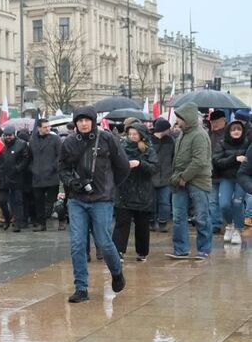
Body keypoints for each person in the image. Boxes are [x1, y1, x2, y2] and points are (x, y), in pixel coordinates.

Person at [59, 105, 129, 302]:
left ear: (93, 121)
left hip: (102, 200)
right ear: (75, 123)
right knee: (77, 244)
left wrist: (110, 187)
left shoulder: (107, 139)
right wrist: (71, 182)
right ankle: (81, 287)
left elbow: (123, 166)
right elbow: (63, 169)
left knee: (104, 242)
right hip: (77, 200)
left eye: (86, 120)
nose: (83, 123)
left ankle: (117, 272)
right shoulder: (69, 143)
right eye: (80, 120)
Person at [167, 102, 214, 260]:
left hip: (198, 182)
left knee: (202, 216)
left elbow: (199, 161)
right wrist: (178, 177)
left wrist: (183, 177)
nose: (177, 121)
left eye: (179, 118)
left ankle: (204, 249)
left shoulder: (199, 135)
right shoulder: (183, 134)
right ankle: (180, 249)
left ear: (187, 118)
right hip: (180, 181)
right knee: (178, 217)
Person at [112, 123, 158, 262]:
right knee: (122, 223)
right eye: (130, 134)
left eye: (135, 134)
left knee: (142, 225)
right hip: (124, 190)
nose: (132, 136)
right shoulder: (121, 147)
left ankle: (142, 252)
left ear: (141, 135)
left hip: (143, 191)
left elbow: (154, 169)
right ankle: (118, 251)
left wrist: (140, 163)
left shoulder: (149, 149)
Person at [212, 117, 249, 245]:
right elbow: (217, 162)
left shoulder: (248, 143)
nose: (236, 131)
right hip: (226, 178)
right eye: (233, 129)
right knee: (224, 204)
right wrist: (234, 158)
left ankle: (237, 230)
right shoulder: (222, 144)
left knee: (237, 203)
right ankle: (229, 225)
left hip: (241, 179)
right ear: (229, 131)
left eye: (239, 129)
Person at [27, 118, 62, 231]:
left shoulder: (55, 139)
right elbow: (30, 157)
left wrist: (53, 167)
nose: (48, 129)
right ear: (38, 128)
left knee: (52, 201)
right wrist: (32, 168)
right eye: (45, 127)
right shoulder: (32, 140)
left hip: (52, 176)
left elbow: (60, 156)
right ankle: (42, 224)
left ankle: (62, 219)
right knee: (38, 201)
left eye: (48, 126)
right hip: (37, 176)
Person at [0, 127, 28, 231]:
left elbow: (26, 158)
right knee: (2, 201)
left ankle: (17, 223)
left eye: (10, 135)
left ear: (14, 135)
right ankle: (7, 219)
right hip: (2, 177)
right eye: (6, 135)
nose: (8, 137)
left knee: (17, 201)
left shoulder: (21, 144)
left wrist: (18, 168)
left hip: (16, 177)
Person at [150, 117, 176, 231]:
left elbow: (174, 157)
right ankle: (151, 222)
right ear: (164, 129)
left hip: (166, 176)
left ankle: (162, 222)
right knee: (151, 202)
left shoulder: (170, 140)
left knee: (164, 202)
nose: (170, 130)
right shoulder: (149, 141)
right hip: (151, 176)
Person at [206, 109, 229, 236]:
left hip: (225, 172)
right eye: (212, 121)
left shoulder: (229, 134)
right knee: (212, 201)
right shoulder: (209, 134)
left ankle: (228, 222)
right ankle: (215, 224)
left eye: (216, 121)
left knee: (225, 201)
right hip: (212, 173)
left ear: (224, 121)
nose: (214, 124)